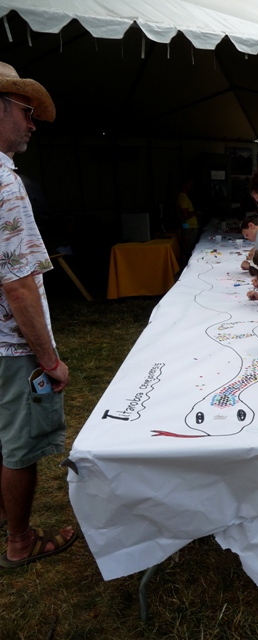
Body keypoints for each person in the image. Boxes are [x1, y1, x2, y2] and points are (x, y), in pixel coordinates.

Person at [0, 61, 77, 568]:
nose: (33, 123)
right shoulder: (6, 184)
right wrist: (49, 361)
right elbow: (20, 286)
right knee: (18, 447)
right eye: (27, 112)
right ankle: (20, 542)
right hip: (11, 347)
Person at [177, 177, 201, 267]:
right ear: (184, 184)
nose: (191, 187)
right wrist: (195, 212)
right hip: (189, 227)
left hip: (190, 227)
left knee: (188, 250)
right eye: (190, 184)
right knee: (186, 250)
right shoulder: (182, 197)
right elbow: (186, 215)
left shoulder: (185, 196)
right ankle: (185, 269)